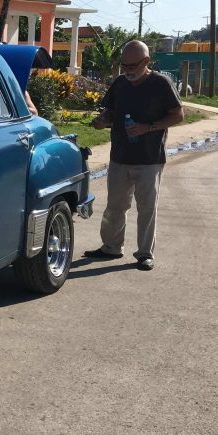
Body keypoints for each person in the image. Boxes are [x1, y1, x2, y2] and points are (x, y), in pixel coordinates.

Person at [84, 40, 184, 270]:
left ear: (146, 62)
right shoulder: (120, 83)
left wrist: (149, 127)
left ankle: (144, 253)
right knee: (115, 206)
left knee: (147, 208)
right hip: (120, 155)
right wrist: (102, 122)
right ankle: (110, 247)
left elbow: (178, 115)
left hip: (149, 159)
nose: (127, 70)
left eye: (132, 65)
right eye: (124, 65)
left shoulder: (161, 83)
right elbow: (109, 111)